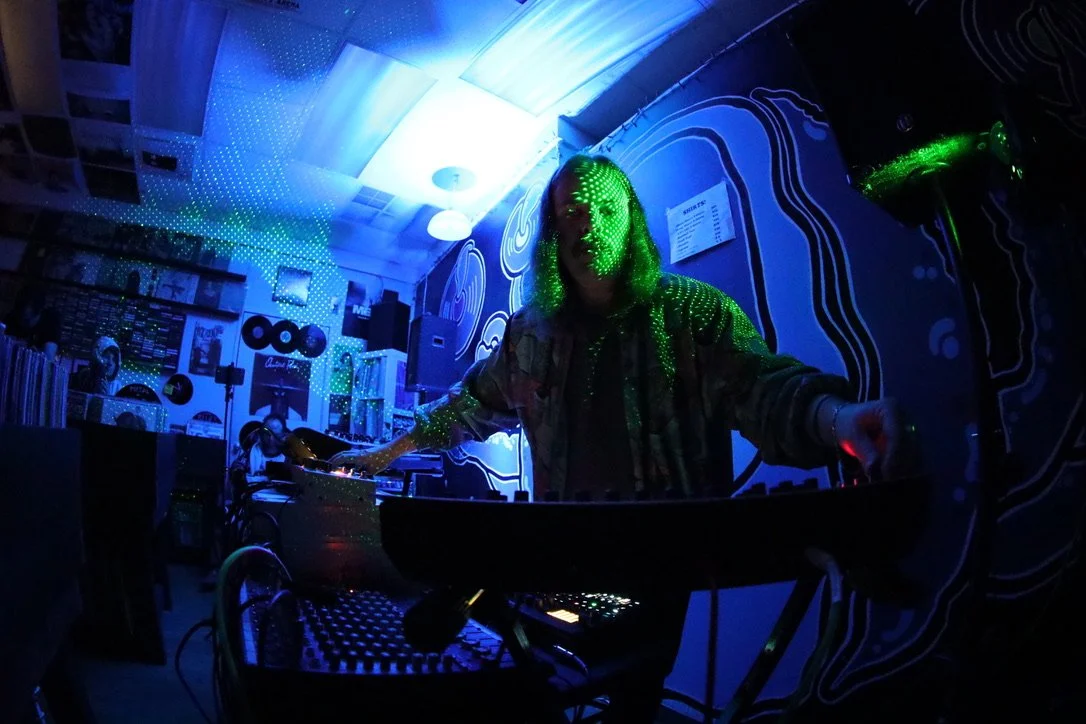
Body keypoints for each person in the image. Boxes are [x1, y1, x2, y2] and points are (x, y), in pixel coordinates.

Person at [328, 154, 918, 720]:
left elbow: (762, 388)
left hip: (664, 562)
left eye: (605, 210)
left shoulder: (692, 311)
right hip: (561, 557)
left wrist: (839, 420)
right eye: (572, 213)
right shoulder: (528, 335)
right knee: (532, 686)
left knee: (636, 693)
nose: (589, 226)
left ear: (631, 220)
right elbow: (468, 405)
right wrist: (385, 454)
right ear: (553, 232)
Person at [2, 283, 61, 358]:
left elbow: (48, 358)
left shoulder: (50, 323)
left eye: (27, 320)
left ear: (39, 313)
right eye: (20, 318)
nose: (22, 323)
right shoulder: (11, 318)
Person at [231, 413, 290, 483]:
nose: (271, 439)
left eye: (276, 435)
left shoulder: (288, 457)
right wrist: (239, 474)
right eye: (267, 434)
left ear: (283, 435)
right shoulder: (253, 451)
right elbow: (237, 466)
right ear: (262, 433)